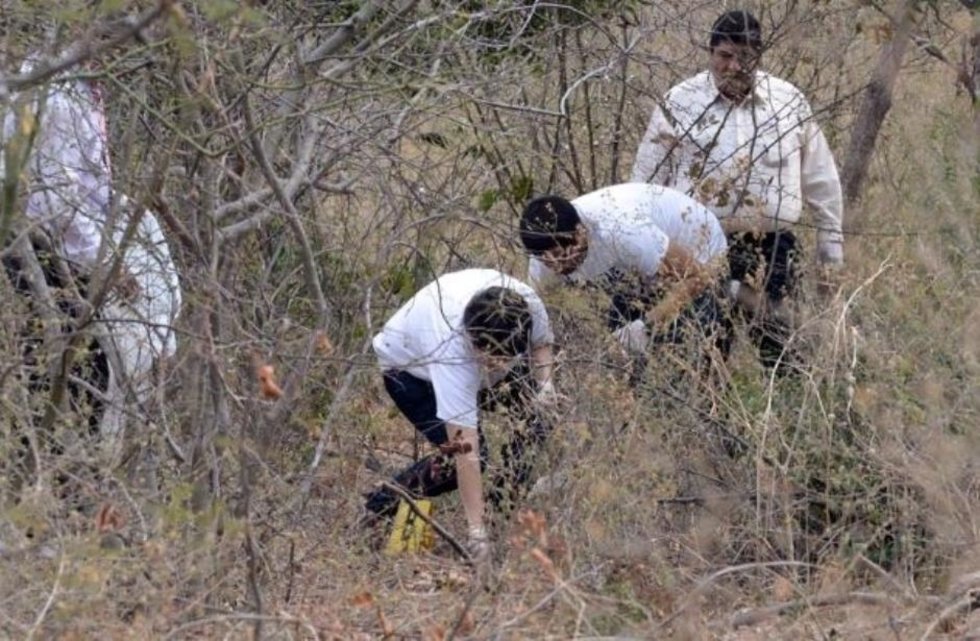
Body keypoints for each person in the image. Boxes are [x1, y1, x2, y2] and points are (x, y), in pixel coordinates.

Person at [630, 9, 844, 371]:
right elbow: (646, 182)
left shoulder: (788, 102)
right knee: (700, 354)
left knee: (785, 352)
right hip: (696, 250)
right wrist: (644, 253)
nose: (733, 67)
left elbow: (821, 178)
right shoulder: (680, 102)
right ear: (711, 53)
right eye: (724, 56)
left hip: (772, 248)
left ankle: (784, 420)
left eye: (744, 58)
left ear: (758, 56)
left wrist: (831, 249)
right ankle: (709, 422)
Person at [2, 51, 181, 448]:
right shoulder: (61, 93)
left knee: (68, 366)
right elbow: (57, 201)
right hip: (36, 241)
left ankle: (57, 475)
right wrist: (104, 266)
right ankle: (60, 484)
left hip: (54, 238)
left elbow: (85, 187)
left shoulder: (85, 82)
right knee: (75, 368)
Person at [363, 268, 557, 562]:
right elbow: (466, 450)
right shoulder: (449, 349)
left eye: (504, 358)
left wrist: (545, 387)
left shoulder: (526, 305)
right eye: (490, 358)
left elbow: (541, 343)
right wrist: (474, 531)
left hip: (473, 357)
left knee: (540, 417)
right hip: (409, 371)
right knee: (458, 464)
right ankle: (384, 506)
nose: (496, 366)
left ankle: (498, 516)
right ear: (471, 339)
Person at [519, 183, 729, 368]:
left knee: (689, 352)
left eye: (560, 256)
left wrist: (646, 325)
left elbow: (698, 277)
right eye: (547, 261)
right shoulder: (541, 263)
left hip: (699, 252)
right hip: (635, 272)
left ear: (580, 233)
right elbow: (539, 326)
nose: (556, 267)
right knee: (622, 355)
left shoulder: (623, 230)